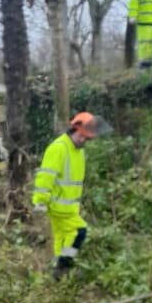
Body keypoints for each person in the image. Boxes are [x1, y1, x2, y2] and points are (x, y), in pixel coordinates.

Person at [32, 112, 101, 279]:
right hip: (59, 206)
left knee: (62, 237)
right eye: (82, 136)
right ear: (74, 129)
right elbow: (46, 176)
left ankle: (58, 271)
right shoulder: (59, 148)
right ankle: (64, 264)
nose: (83, 140)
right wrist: (40, 201)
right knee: (79, 232)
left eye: (87, 138)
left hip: (70, 206)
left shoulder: (78, 151)